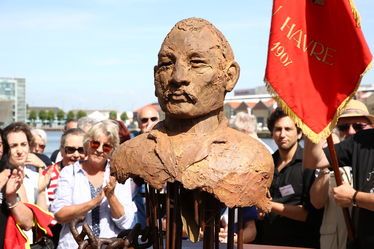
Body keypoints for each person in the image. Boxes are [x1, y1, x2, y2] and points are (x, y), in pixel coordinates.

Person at [111, 17, 274, 241]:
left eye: (196, 63)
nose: (178, 77)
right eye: (167, 64)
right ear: (155, 76)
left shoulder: (252, 157)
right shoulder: (131, 153)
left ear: (229, 76)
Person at [51, 120, 137, 248]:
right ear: (87, 143)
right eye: (95, 144)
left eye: (106, 146)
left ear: (112, 150)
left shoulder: (118, 175)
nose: (99, 150)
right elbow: (59, 214)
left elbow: (127, 223)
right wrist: (93, 203)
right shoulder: (70, 172)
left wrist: (111, 196)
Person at [304, 102, 374, 249]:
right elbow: (313, 161)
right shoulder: (358, 142)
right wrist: (314, 123)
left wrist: (354, 197)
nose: (351, 132)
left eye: (358, 126)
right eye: (343, 127)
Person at [254, 108, 322, 248]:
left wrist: (269, 206)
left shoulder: (309, 165)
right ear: (272, 134)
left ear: (299, 134)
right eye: (278, 129)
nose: (282, 134)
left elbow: (308, 214)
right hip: (265, 242)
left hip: (299, 244)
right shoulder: (266, 164)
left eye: (288, 129)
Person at [1, 122, 54, 247]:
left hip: (30, 243)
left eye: (23, 144)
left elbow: (42, 221)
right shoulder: (2, 177)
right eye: (14, 146)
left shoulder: (35, 176)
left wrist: (41, 190)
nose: (20, 151)